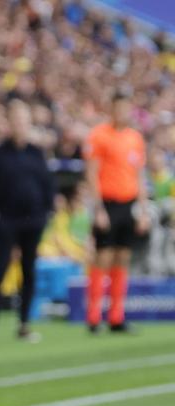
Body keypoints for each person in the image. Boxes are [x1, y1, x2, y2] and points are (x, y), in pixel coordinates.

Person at [0, 100, 54, 344]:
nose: (20, 126)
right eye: (16, 120)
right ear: (9, 123)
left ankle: (24, 323)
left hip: (33, 220)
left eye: (24, 121)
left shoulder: (36, 153)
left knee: (29, 271)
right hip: (7, 220)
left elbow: (47, 185)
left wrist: (47, 210)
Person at [84, 93, 146, 333]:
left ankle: (116, 317)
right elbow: (91, 174)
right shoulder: (99, 135)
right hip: (107, 204)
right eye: (118, 108)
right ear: (111, 109)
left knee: (123, 258)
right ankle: (93, 317)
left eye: (126, 108)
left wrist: (142, 209)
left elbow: (139, 175)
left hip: (128, 203)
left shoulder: (135, 138)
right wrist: (98, 208)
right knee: (103, 258)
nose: (122, 112)